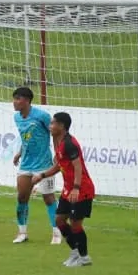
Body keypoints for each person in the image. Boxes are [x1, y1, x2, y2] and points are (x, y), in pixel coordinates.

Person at [35, 111, 97, 267]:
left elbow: (78, 167)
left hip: (81, 189)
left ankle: (84, 257)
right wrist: (42, 175)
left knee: (75, 224)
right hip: (68, 189)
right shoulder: (60, 142)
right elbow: (59, 166)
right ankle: (75, 252)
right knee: (59, 220)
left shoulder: (70, 143)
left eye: (53, 123)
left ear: (61, 126)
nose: (50, 126)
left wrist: (76, 188)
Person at [11, 85, 59, 244]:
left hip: (44, 164)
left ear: (27, 101)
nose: (15, 102)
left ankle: (57, 233)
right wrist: (19, 152)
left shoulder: (42, 116)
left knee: (49, 198)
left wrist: (58, 155)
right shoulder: (17, 117)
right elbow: (26, 137)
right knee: (22, 197)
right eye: (14, 98)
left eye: (18, 99)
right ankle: (22, 233)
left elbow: (56, 133)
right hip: (26, 164)